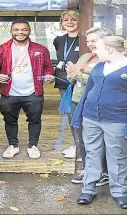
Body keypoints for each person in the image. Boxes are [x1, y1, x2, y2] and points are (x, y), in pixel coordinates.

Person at [71, 36, 127, 209]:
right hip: (91, 117)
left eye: (97, 48)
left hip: (117, 120)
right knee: (92, 153)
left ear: (109, 49)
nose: (94, 51)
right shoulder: (99, 67)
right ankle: (88, 189)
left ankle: (120, 192)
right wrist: (78, 115)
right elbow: (87, 92)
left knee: (117, 156)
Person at [0, 19, 55, 159]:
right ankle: (13, 145)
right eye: (16, 29)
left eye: (24, 29)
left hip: (33, 91)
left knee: (35, 120)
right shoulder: (1, 49)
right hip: (9, 92)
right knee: (10, 121)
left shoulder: (41, 49)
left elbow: (48, 67)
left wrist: (49, 75)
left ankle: (33, 146)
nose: (20, 32)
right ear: (11, 31)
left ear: (29, 31)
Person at [65, 27, 113, 186]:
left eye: (94, 40)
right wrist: (72, 74)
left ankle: (103, 172)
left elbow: (100, 81)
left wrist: (77, 73)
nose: (90, 44)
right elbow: (72, 77)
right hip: (76, 100)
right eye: (88, 41)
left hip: (95, 102)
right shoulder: (86, 56)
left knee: (99, 139)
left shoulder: (109, 58)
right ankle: (87, 169)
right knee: (81, 138)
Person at [53, 10, 80, 159]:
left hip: (80, 81)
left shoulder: (85, 39)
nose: (69, 22)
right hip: (64, 82)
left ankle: (81, 145)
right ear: (61, 23)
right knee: (70, 114)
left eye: (73, 19)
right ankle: (77, 143)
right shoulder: (59, 40)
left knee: (80, 113)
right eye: (66, 20)